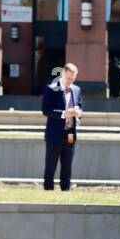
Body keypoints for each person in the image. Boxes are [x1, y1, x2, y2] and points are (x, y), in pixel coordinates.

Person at [41, 62, 82, 191]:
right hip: (54, 135)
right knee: (50, 166)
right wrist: (65, 114)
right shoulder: (51, 88)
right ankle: (48, 191)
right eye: (69, 78)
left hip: (70, 134)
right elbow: (46, 110)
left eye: (73, 78)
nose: (71, 81)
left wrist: (78, 112)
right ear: (63, 74)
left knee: (67, 166)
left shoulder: (77, 90)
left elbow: (80, 107)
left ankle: (66, 190)